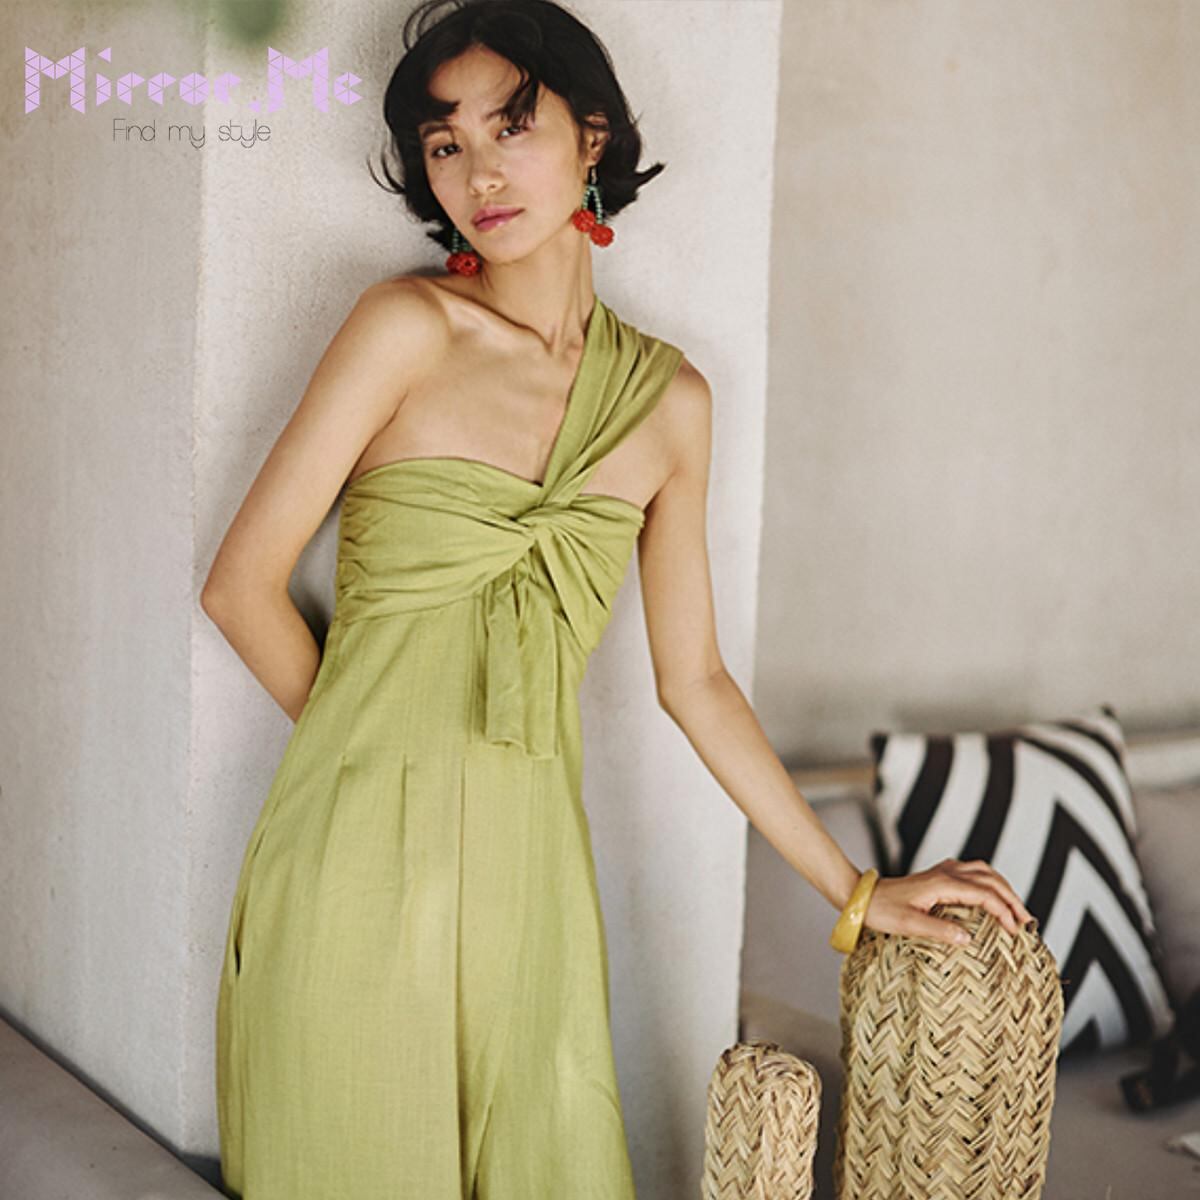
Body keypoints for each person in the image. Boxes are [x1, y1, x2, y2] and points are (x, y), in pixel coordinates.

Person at [200, 1, 1034, 1197]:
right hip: (350, 865)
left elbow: (695, 681)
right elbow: (240, 586)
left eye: (511, 126)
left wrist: (856, 890)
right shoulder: (404, 329)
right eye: (445, 145)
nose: (479, 174)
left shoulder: (670, 405)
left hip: (534, 874)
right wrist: (383, 754)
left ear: (591, 135)